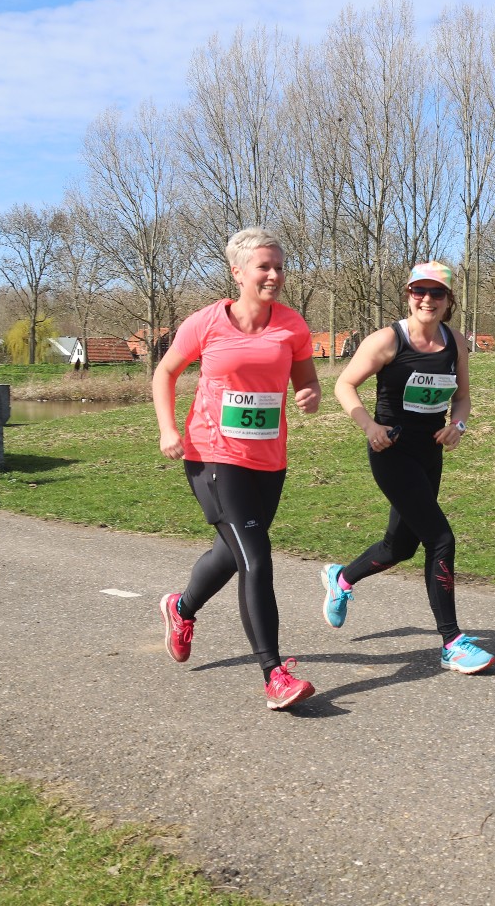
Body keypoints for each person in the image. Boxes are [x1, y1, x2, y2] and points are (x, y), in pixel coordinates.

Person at [153, 228, 323, 711]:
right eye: (264, 267)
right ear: (238, 272)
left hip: (268, 460)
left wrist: (309, 395)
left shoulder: (292, 325)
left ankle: (181, 607)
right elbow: (165, 372)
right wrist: (168, 429)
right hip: (211, 455)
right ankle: (275, 675)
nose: (274, 275)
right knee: (256, 557)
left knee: (232, 552)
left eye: (279, 267)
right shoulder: (206, 323)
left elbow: (306, 380)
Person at [322, 260, 495, 675]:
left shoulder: (455, 342)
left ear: (449, 300)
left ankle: (341, 579)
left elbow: (463, 398)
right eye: (420, 291)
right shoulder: (387, 340)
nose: (427, 299)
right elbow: (344, 384)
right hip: (392, 451)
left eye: (437, 293)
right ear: (408, 295)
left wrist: (458, 426)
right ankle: (452, 642)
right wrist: (369, 426)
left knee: (399, 547)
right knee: (441, 538)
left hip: (429, 453)